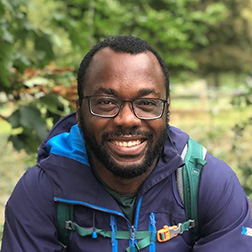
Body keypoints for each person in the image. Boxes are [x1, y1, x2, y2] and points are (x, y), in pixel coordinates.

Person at [1, 36, 252, 252]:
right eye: (106, 102)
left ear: (166, 109)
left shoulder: (208, 184)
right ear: (79, 111)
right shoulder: (41, 193)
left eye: (147, 103)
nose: (127, 119)